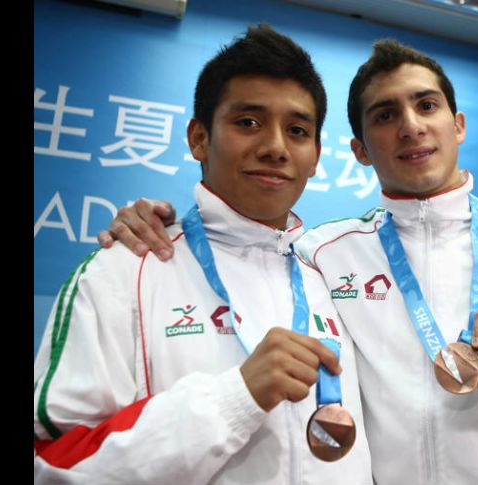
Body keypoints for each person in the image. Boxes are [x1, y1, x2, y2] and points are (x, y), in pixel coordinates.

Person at [100, 39, 478, 484]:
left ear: (457, 125)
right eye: (386, 114)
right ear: (361, 149)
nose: (411, 126)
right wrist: (150, 219)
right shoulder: (317, 253)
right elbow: (240, 243)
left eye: (426, 105)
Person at [33, 24, 372, 485]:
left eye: (296, 130)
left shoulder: (335, 276)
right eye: (247, 122)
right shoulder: (122, 271)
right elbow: (51, 460)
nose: (274, 147)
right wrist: (235, 398)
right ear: (198, 138)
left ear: (314, 156)